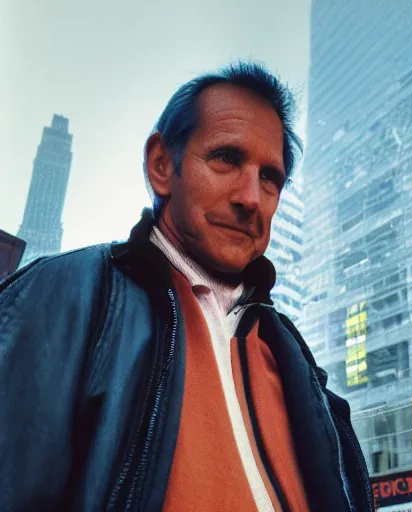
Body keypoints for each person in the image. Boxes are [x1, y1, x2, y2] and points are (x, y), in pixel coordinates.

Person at [0, 62, 373, 511]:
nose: (250, 197)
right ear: (161, 164)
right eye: (226, 158)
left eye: (269, 177)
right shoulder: (58, 296)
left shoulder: (294, 358)